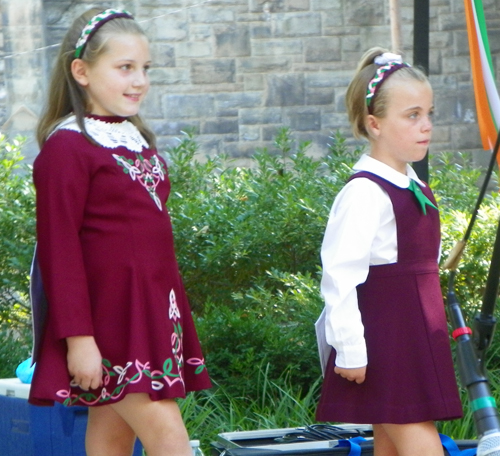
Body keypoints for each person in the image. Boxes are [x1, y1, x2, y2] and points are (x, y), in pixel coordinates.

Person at [28, 7, 211, 456]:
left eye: (144, 69)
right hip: (110, 324)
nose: (139, 80)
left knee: (110, 440)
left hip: (149, 315)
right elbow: (60, 250)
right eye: (125, 68)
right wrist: (79, 340)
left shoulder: (133, 137)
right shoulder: (68, 148)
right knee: (172, 443)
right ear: (82, 71)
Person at [315, 47, 463, 456]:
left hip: (414, 337)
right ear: (373, 123)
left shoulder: (410, 184)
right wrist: (349, 348)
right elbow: (340, 275)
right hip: (387, 342)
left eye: (429, 113)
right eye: (412, 115)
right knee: (420, 445)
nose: (426, 126)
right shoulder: (365, 192)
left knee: (392, 447)